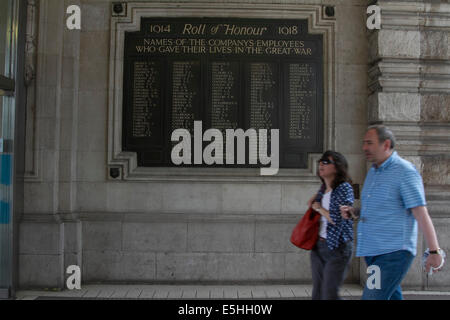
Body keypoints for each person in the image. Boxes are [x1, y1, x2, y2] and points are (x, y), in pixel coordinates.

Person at [340, 125, 444, 300]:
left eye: (369, 143)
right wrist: (354, 212)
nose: (364, 147)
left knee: (371, 298)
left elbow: (421, 213)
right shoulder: (374, 171)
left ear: (386, 145)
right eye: (364, 143)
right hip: (373, 253)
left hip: (392, 253)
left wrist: (434, 251)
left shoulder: (405, 172)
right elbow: (378, 208)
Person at [307, 150, 355, 300]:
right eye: (320, 161)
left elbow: (337, 218)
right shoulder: (323, 189)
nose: (321, 165)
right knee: (318, 293)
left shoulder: (344, 188)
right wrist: (317, 199)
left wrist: (319, 208)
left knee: (329, 293)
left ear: (337, 167)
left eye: (326, 162)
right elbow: (310, 205)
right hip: (319, 246)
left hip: (337, 248)